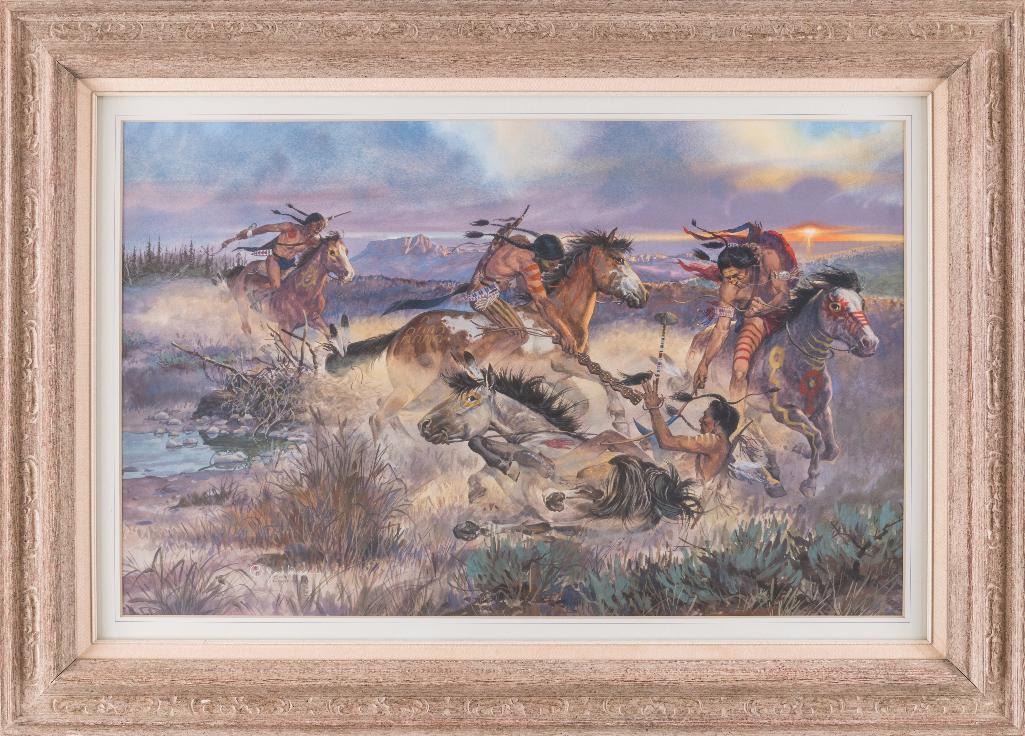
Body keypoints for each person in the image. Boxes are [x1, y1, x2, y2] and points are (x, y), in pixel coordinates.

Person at [465, 231, 579, 352]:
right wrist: (566, 334)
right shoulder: (529, 264)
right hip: (482, 296)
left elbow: (522, 285)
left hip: (483, 289)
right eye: (551, 264)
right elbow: (541, 303)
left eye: (556, 265)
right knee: (520, 336)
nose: (552, 269)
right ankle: (483, 360)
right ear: (540, 256)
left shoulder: (521, 244)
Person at [639, 378, 735, 487]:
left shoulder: (713, 441)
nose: (700, 420)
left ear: (717, 423)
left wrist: (654, 409)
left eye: (705, 416)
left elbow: (666, 441)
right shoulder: (724, 445)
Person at [219, 211, 327, 290]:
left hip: (290, 264)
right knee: (276, 287)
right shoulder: (290, 227)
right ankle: (251, 288)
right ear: (309, 222)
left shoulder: (314, 240)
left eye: (321, 227)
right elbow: (267, 228)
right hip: (275, 260)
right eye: (317, 225)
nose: (319, 229)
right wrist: (250, 233)